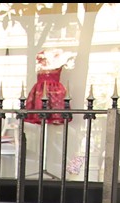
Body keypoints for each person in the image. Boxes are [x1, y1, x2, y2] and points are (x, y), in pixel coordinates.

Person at [23, 49, 76, 180]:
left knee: (55, 136)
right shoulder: (40, 57)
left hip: (54, 94)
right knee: (43, 134)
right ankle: (44, 166)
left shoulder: (62, 57)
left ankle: (70, 171)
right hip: (40, 93)